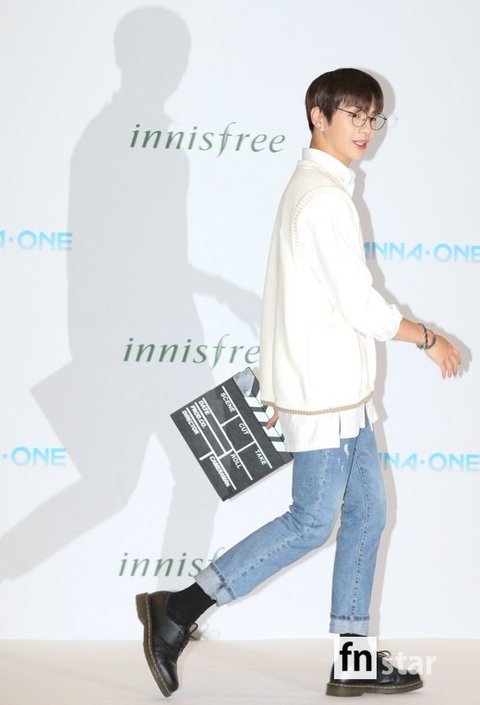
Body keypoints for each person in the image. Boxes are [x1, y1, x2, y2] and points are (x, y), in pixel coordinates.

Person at [135, 68, 461, 698]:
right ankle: (178, 609)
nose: (366, 129)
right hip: (326, 396)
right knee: (312, 522)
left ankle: (352, 664)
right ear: (318, 115)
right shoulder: (323, 199)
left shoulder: (320, 188)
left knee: (367, 513)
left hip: (342, 395)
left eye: (373, 118)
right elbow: (362, 308)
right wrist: (427, 337)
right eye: (354, 115)